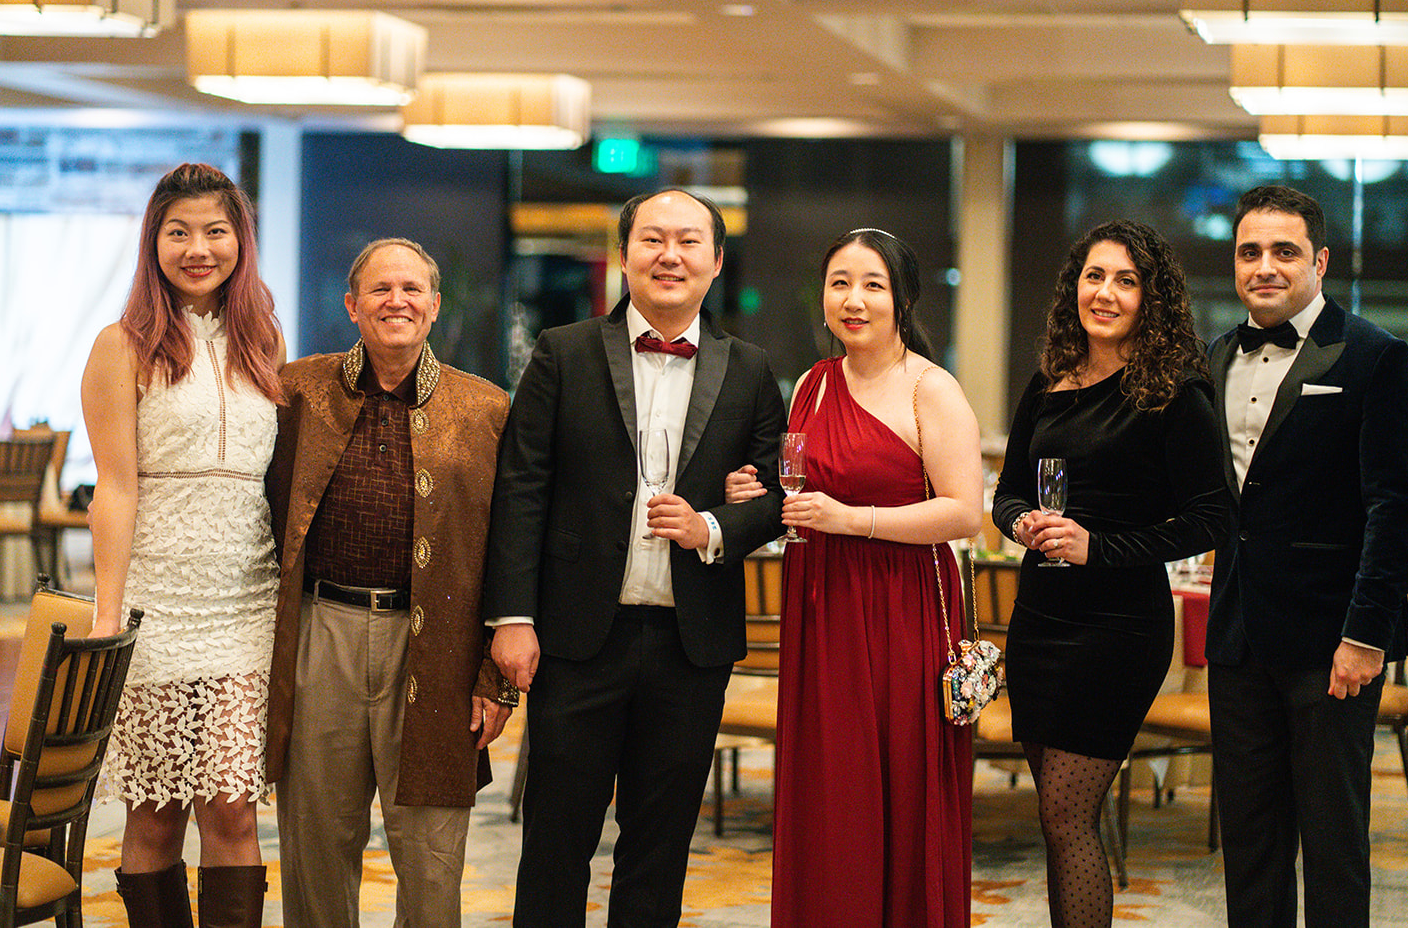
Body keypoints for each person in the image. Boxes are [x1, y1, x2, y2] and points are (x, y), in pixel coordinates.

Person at [483, 188, 787, 928]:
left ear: (717, 261)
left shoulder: (750, 369)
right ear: (624, 256)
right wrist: (513, 616)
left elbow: (778, 495)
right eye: (653, 239)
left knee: (660, 847)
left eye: (688, 241)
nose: (669, 255)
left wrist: (711, 525)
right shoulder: (563, 351)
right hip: (578, 638)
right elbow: (521, 487)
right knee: (555, 842)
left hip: (691, 644)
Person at [736, 227, 985, 928]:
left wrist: (851, 520)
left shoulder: (932, 388)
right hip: (821, 603)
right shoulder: (812, 384)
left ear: (902, 299)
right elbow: (799, 488)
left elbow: (965, 512)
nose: (854, 299)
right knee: (831, 786)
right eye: (839, 283)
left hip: (901, 607)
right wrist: (755, 494)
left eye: (873, 285)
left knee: (901, 783)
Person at [263, 238, 514, 928]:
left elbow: (513, 548)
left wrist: (495, 677)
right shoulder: (298, 391)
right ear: (352, 305)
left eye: (411, 289)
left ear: (434, 305)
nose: (396, 301)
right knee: (315, 843)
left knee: (432, 858)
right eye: (380, 289)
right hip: (323, 634)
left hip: (439, 650)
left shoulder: (486, 409)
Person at [990, 219, 1230, 928]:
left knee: (1068, 816)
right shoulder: (1049, 380)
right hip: (1040, 619)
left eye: (1126, 280)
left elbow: (1212, 518)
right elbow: (1007, 491)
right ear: (1075, 287)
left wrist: (1099, 548)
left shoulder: (1175, 392)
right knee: (1054, 816)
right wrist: (1021, 523)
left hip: (1118, 627)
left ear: (1151, 297)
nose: (1106, 292)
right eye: (1094, 276)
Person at [1206, 186, 1408, 928]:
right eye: (1250, 252)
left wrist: (1366, 634)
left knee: (1334, 845)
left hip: (1332, 643)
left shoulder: (1374, 355)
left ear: (1320, 261)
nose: (1264, 266)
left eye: (1284, 251)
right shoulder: (1215, 357)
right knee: (1250, 846)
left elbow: (1395, 509)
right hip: (1237, 639)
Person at [83, 162, 285, 927]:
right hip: (156, 608)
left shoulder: (263, 340)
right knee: (157, 813)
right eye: (179, 232)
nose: (198, 248)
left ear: (240, 240)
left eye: (215, 231)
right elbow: (115, 488)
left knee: (232, 807)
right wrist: (108, 615)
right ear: (154, 242)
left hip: (247, 606)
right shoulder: (121, 345)